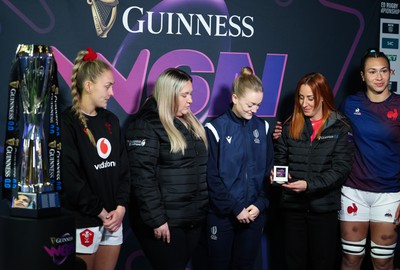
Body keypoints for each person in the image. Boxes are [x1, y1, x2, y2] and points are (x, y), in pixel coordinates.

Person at [125, 68, 209, 270]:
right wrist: (157, 220)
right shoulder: (146, 125)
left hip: (191, 219)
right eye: (184, 95)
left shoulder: (188, 121)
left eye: (191, 94)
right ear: (169, 94)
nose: (190, 100)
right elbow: (142, 178)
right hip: (165, 222)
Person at [273, 72, 354, 270]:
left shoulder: (340, 127)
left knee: (323, 262)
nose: (304, 103)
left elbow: (340, 170)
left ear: (323, 96)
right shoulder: (288, 125)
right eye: (301, 97)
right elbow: (280, 160)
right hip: (293, 207)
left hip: (323, 208)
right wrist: (277, 176)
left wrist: (309, 185)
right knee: (294, 262)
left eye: (310, 98)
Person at [60, 48, 130, 270]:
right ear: (88, 86)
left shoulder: (111, 119)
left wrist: (120, 209)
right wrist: (100, 212)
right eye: (107, 86)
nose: (111, 93)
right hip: (84, 220)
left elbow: (124, 170)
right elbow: (70, 179)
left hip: (113, 220)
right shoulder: (67, 123)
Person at [204, 66, 274, 270]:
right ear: (235, 98)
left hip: (253, 214)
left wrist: (260, 204)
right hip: (222, 215)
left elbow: (269, 172)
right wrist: (234, 208)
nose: (255, 110)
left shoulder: (263, 127)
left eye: (258, 105)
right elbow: (212, 177)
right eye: (251, 104)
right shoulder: (215, 128)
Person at [339, 49, 400, 270]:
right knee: (352, 259)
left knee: (383, 262)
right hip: (353, 191)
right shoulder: (350, 103)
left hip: (389, 194)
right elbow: (324, 130)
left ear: (390, 72)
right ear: (363, 76)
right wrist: (284, 130)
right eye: (372, 72)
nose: (379, 77)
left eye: (383, 71)